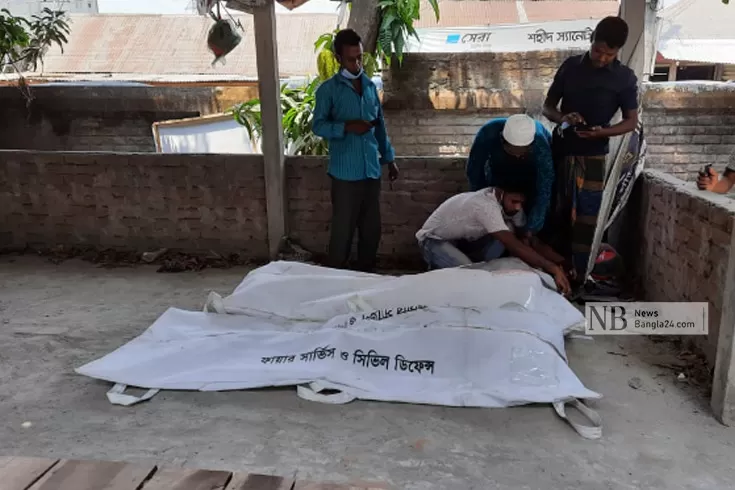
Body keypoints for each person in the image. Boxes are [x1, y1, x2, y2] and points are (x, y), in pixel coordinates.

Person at [542, 16, 639, 282]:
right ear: (591, 39)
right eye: (598, 50)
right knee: (556, 212)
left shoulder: (624, 78)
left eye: (610, 54)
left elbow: (631, 122)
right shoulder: (571, 67)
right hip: (562, 150)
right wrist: (563, 118)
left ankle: (580, 276)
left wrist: (602, 132)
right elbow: (547, 106)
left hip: (595, 155)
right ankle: (549, 272)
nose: (602, 58)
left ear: (617, 52)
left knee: (586, 220)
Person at [312, 29, 399, 273]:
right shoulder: (328, 90)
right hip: (344, 173)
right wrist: (347, 127)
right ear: (339, 58)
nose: (357, 63)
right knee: (343, 231)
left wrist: (389, 159)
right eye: (351, 59)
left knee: (372, 229)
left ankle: (366, 277)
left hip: (371, 169)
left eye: (360, 57)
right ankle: (336, 278)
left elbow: (379, 126)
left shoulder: (370, 87)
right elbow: (318, 125)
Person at [415, 177, 572, 295]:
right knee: (472, 280)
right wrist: (550, 268)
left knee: (511, 230)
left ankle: (466, 266)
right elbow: (514, 245)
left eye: (521, 203)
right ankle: (437, 267)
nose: (518, 207)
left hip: (465, 243)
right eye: (514, 201)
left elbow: (530, 240)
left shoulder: (514, 207)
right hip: (434, 242)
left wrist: (561, 263)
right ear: (500, 193)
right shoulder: (484, 205)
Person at [466, 114, 554, 237]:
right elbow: (474, 171)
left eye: (522, 153)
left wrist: (532, 228)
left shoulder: (540, 143)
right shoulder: (488, 133)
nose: (517, 156)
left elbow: (545, 186)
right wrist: (483, 204)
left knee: (537, 223)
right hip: (499, 174)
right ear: (502, 140)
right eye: (513, 152)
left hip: (532, 177)